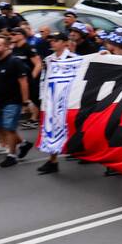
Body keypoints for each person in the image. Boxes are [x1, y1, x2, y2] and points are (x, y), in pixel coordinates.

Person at [35, 32, 80, 174]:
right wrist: (43, 98)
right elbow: (45, 79)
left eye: (55, 40)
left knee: (76, 128)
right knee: (52, 129)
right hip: (53, 102)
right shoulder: (48, 60)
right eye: (51, 40)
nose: (52, 43)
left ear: (64, 42)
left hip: (71, 101)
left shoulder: (75, 59)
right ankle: (52, 160)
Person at [0, 32, 36, 166]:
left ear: (6, 47)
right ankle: (24, 144)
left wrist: (25, 102)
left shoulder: (15, 62)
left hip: (12, 101)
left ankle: (12, 156)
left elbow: (23, 83)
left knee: (9, 128)